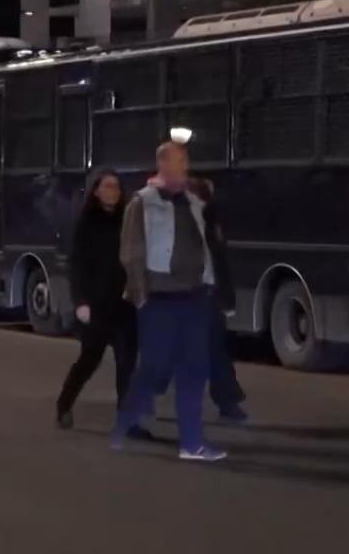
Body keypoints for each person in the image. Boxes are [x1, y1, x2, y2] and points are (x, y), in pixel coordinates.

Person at [117, 140, 228, 462]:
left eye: (185, 161)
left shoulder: (194, 202)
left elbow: (207, 243)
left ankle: (191, 443)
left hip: (194, 294)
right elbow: (131, 252)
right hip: (159, 298)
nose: (184, 167)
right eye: (179, 161)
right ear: (163, 164)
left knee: (194, 369)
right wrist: (141, 296)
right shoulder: (143, 202)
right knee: (156, 366)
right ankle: (129, 418)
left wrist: (210, 282)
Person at [54, 170, 154, 439]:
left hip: (124, 302)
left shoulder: (127, 220)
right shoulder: (87, 223)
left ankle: (127, 419)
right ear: (96, 191)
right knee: (89, 359)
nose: (113, 191)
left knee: (127, 363)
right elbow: (77, 266)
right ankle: (64, 404)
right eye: (107, 186)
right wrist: (81, 302)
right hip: (97, 304)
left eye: (116, 187)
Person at [190, 176, 248, 422]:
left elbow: (220, 263)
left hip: (208, 293)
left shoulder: (211, 224)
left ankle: (227, 401)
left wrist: (227, 298)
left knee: (216, 350)